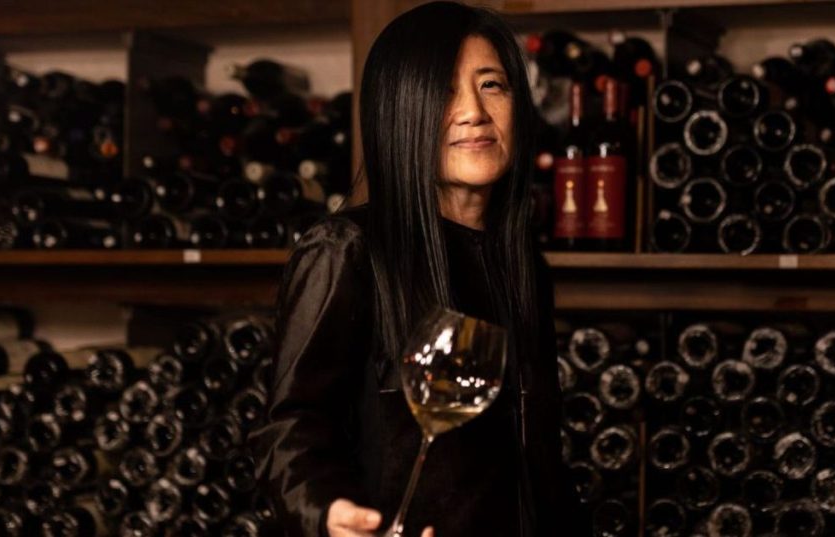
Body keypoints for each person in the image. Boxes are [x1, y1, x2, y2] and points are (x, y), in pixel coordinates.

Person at [249, 2, 587, 536]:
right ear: (400, 110)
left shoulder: (523, 263)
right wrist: (329, 515)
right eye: (444, 91)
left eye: (492, 85)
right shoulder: (346, 249)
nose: (473, 111)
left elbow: (539, 458)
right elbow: (292, 430)